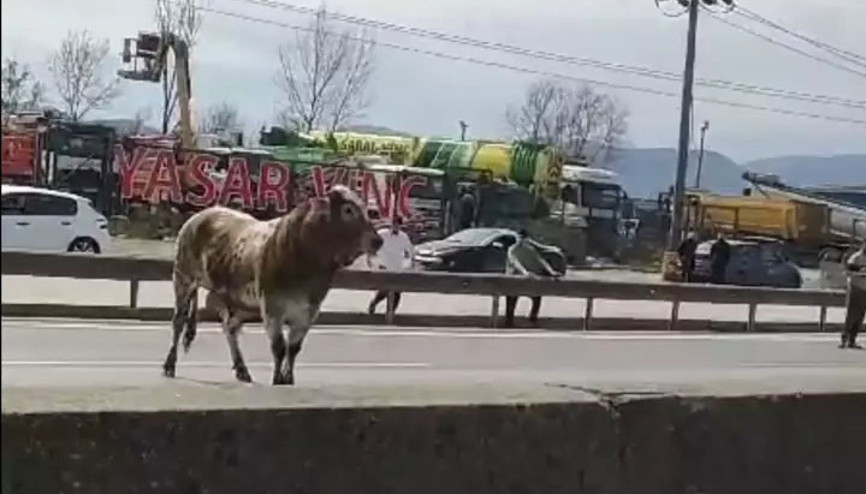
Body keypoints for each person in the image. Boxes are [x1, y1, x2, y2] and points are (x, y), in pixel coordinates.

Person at [504, 229, 563, 328]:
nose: (521, 240)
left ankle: (533, 318)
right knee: (511, 298)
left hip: (530, 278)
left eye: (523, 238)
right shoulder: (512, 250)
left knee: (536, 297)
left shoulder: (529, 248)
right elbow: (515, 262)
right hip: (515, 279)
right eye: (519, 238)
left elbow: (540, 260)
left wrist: (551, 271)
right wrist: (525, 272)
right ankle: (509, 320)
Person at [367, 216, 414, 315]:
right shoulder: (382, 234)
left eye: (398, 225)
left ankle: (391, 312)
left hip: (397, 267)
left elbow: (409, 250)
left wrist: (409, 263)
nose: (396, 226)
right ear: (391, 224)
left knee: (397, 292)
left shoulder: (403, 237)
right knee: (384, 290)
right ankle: (374, 303)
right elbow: (372, 244)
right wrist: (370, 256)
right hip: (384, 265)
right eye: (394, 224)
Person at [840, 241, 866, 349]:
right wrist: (860, 270)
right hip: (856, 288)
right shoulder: (857, 257)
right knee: (852, 314)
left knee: (860, 315)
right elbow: (849, 269)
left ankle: (852, 340)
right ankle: (844, 338)